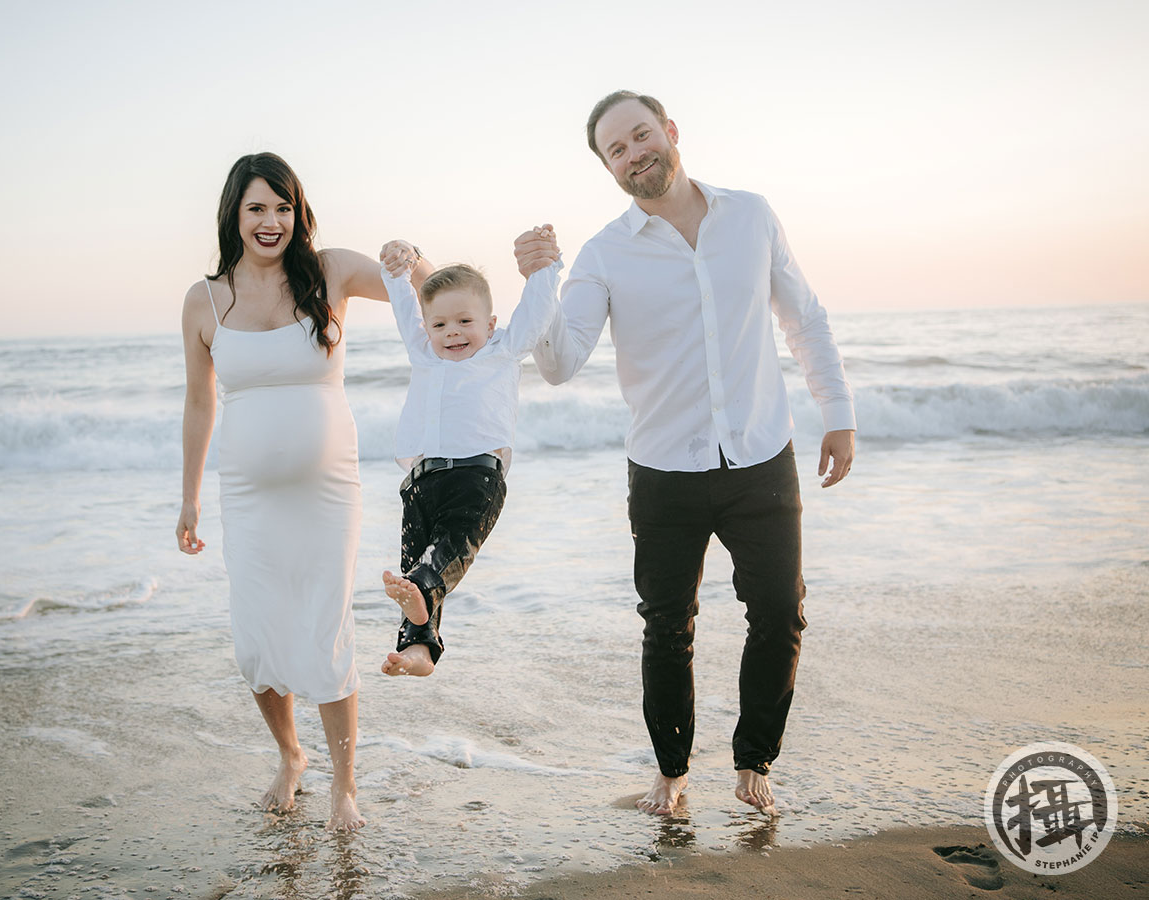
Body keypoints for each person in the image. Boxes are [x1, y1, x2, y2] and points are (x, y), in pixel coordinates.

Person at [515, 91, 856, 818]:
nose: (635, 152)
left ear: (670, 131)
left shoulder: (752, 215)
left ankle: (754, 762)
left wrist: (840, 414)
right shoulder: (605, 254)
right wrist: (539, 283)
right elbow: (558, 363)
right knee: (668, 626)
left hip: (763, 454)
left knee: (780, 611)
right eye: (617, 149)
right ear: (608, 167)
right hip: (665, 470)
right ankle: (671, 776)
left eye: (642, 135)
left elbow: (803, 316)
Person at [176, 152, 431, 832]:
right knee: (255, 637)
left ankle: (345, 785)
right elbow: (200, 405)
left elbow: (426, 292)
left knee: (325, 624)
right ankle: (292, 757)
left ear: (299, 212)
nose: (271, 221)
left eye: (283, 207)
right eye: (257, 207)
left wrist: (414, 257)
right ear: (234, 212)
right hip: (248, 495)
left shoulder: (331, 271)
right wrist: (189, 498)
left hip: (327, 490)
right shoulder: (204, 300)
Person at [375, 235, 563, 678]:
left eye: (464, 321)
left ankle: (422, 597)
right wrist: (394, 269)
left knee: (444, 555)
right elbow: (404, 307)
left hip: (477, 477)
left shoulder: (503, 350)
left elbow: (537, 310)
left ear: (491, 323)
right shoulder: (422, 352)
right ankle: (419, 648)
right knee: (413, 574)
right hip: (422, 483)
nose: (452, 332)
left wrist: (546, 268)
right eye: (439, 325)